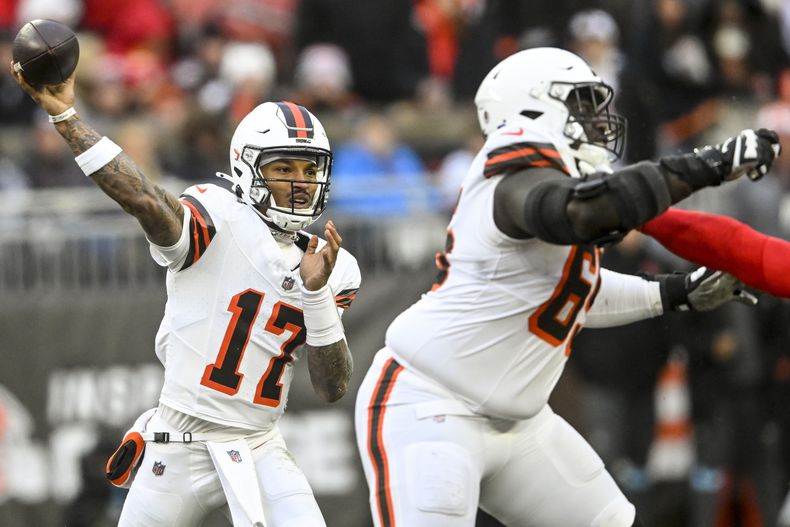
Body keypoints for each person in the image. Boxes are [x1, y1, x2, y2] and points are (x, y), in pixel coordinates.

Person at [353, 47, 780, 527]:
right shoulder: (510, 175)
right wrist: (710, 164)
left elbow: (576, 294)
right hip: (431, 405)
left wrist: (676, 292)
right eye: (580, 103)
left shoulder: (563, 178)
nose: (597, 119)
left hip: (522, 424)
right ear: (532, 107)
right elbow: (581, 211)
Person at [12, 66, 361, 526]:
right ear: (248, 168)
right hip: (176, 442)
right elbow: (144, 200)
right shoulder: (218, 215)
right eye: (283, 168)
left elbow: (332, 387)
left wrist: (315, 296)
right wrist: (68, 119)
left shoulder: (335, 265)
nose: (300, 182)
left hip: (259, 444)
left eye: (308, 168)